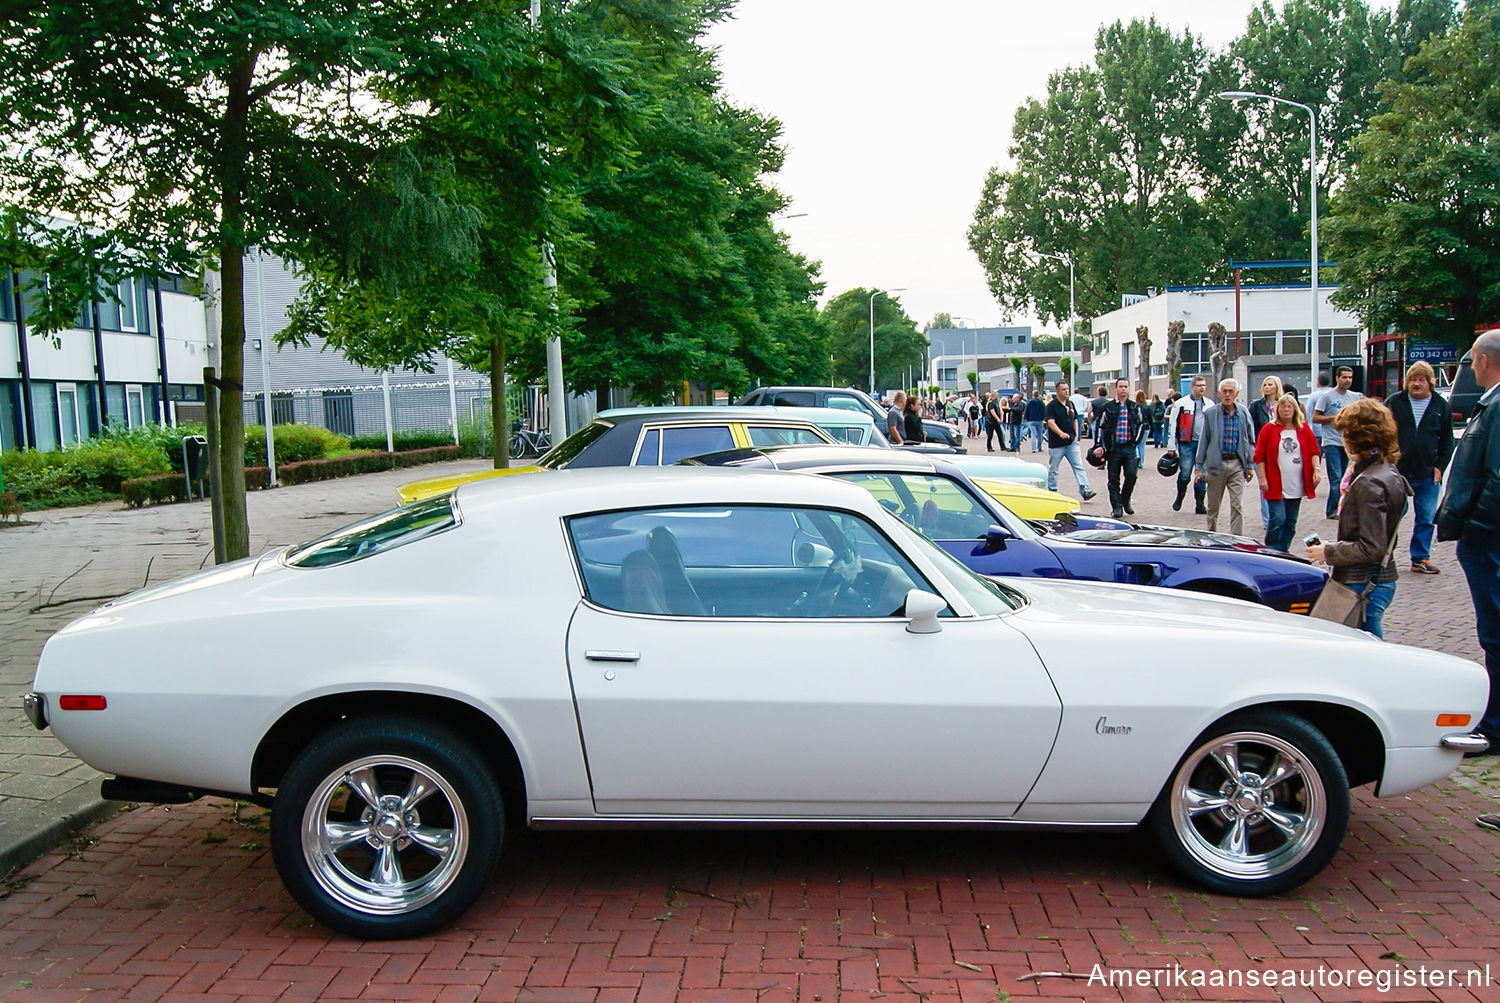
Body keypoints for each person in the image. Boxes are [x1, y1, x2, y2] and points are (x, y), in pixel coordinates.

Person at [1436, 329, 1500, 755]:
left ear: (1483, 360)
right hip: (1484, 536)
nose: (1471, 368)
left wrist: (1475, 525)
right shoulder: (1489, 404)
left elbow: (1496, 477)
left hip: (1488, 538)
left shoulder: (1495, 406)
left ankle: (1495, 726)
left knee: (1495, 631)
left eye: (1473, 361)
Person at [1307, 399, 1410, 639]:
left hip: (1363, 582)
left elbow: (1371, 547)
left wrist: (1328, 552)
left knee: (1366, 647)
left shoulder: (1369, 481)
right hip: (1374, 579)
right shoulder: (1387, 471)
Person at [1386, 361, 1454, 575]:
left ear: (1430, 383)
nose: (1416, 384)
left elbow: (1447, 440)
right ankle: (1384, 555)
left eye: (1421, 380)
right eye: (1413, 379)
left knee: (1426, 517)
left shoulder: (1440, 406)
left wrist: (1440, 466)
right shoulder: (1395, 402)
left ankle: (1420, 557)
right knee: (1393, 515)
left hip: (1427, 472)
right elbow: (1381, 431)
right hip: (1398, 471)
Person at [1253, 392, 1321, 551]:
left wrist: (1316, 470)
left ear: (1296, 409)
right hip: (1275, 482)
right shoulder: (1269, 429)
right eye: (1283, 406)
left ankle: (1284, 550)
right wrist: (1262, 478)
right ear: (1278, 409)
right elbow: (1259, 455)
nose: (1286, 409)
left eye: (1290, 406)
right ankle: (1271, 548)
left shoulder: (1303, 429)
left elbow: (1314, 452)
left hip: (1296, 483)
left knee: (1291, 521)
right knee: (1278, 519)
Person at [1195, 378, 1255, 535]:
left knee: (1237, 505)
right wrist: (1199, 467)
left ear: (1236, 394)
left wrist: (1249, 465)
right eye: (1225, 391)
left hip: (1237, 464)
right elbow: (1204, 441)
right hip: (1216, 465)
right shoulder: (1211, 413)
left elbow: (1250, 440)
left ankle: (1237, 539)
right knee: (1213, 507)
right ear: (1219, 393)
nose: (1228, 395)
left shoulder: (1243, 413)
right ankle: (1211, 535)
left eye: (1231, 392)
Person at [1314, 366, 1365, 518]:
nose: (1347, 380)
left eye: (1350, 377)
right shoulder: (1327, 397)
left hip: (1348, 442)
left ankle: (1344, 509)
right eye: (1344, 377)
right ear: (1337, 378)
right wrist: (1333, 418)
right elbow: (1315, 418)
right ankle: (1332, 510)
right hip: (1331, 442)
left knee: (1346, 477)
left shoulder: (1354, 397)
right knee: (1336, 477)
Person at [1091, 377, 1146, 518]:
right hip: (1113, 448)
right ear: (1116, 388)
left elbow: (1141, 424)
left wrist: (1136, 441)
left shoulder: (1134, 407)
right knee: (1113, 478)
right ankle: (1117, 507)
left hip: (1129, 447)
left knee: (1132, 475)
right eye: (1121, 386)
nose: (1123, 389)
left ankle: (1125, 499)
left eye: (1126, 386)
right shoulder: (1108, 407)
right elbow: (1100, 427)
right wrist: (1098, 445)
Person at [1166, 375, 1210, 514]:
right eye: (1199, 385)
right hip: (1186, 442)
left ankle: (1200, 503)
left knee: (1202, 474)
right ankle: (1180, 496)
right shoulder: (1181, 404)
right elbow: (1172, 425)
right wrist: (1171, 446)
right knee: (1185, 472)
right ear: (1192, 387)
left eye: (1203, 385)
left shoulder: (1210, 404)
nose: (1202, 387)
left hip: (1204, 444)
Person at [1045, 380, 1096, 500]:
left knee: (1078, 466)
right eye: (1063, 389)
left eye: (1067, 389)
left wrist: (1076, 435)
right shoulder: (1051, 406)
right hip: (1057, 444)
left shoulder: (1070, 404)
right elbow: (1050, 422)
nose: (1066, 391)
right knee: (1054, 468)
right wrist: (1061, 433)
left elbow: (1075, 419)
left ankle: (1085, 489)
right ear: (1057, 391)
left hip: (1071, 442)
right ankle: (1053, 489)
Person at [1133, 389, 1149, 467]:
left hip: (1138, 427)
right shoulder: (1147, 406)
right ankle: (1141, 463)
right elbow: (1150, 418)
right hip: (1146, 427)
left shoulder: (1135, 407)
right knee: (1142, 445)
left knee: (1135, 443)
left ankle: (1137, 457)